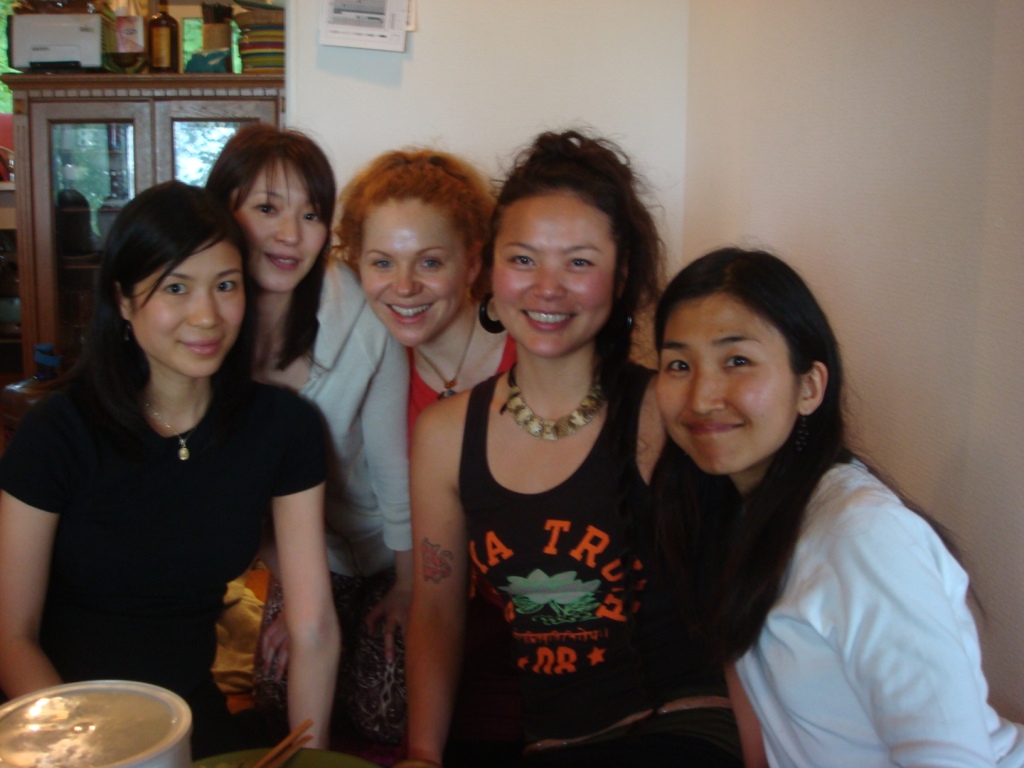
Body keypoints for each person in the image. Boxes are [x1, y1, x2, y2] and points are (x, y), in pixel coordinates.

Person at [400, 130, 742, 768]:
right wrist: (422, 753)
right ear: (489, 269)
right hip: (554, 741)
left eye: (579, 263)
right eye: (523, 260)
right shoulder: (445, 435)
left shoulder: (667, 409)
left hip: (684, 728)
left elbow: (742, 590)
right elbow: (436, 611)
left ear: (622, 275)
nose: (547, 288)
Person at [0, 181, 340, 759]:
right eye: (175, 287)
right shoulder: (58, 432)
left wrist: (310, 759)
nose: (207, 316)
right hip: (54, 719)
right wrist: (86, 750)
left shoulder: (284, 428)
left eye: (226, 285)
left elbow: (313, 628)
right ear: (123, 300)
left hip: (182, 716)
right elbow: (12, 636)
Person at [652, 247, 1024, 767]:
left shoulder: (864, 533)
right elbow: (764, 733)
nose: (701, 396)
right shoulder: (730, 515)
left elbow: (952, 759)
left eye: (737, 361)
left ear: (809, 387)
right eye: (679, 364)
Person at [205, 124, 412, 750]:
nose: (291, 236)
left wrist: (411, 585)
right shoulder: (204, 333)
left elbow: (394, 469)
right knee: (276, 691)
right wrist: (294, 595)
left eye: (311, 214)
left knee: (385, 710)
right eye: (267, 208)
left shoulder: (364, 320)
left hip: (383, 548)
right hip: (303, 555)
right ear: (224, 213)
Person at [335, 148, 522, 765]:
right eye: (381, 263)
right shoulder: (370, 366)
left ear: (474, 261)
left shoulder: (528, 353)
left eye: (430, 262)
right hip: (427, 587)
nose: (404, 287)